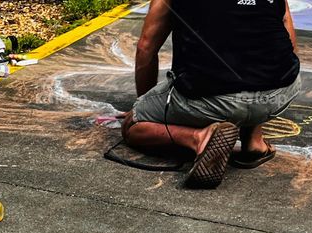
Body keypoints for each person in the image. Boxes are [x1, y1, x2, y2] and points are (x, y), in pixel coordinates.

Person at [122, 0, 301, 188]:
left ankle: (199, 137)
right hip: (280, 92)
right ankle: (254, 143)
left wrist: (143, 106)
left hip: (213, 97)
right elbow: (286, 36)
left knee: (132, 125)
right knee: (252, 39)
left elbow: (146, 48)